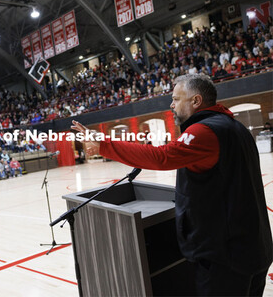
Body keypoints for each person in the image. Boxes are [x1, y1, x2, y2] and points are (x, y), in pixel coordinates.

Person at [72, 74, 273, 296]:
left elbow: (162, 157)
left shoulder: (205, 131)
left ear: (195, 101)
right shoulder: (237, 127)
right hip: (254, 246)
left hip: (226, 257)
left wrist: (104, 144)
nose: (171, 104)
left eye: (176, 99)